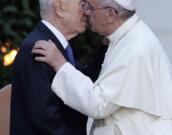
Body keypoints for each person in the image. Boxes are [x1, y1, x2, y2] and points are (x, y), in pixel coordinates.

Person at [32, 0, 172, 134]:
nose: (87, 12)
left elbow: (98, 104)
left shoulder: (134, 49)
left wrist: (61, 65)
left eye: (90, 7)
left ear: (110, 14)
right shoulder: (128, 36)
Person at [10, 0, 105, 134]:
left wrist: (106, 43)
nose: (87, 11)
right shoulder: (38, 47)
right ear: (60, 8)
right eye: (82, 4)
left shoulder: (54, 46)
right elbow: (44, 120)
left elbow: (81, 79)